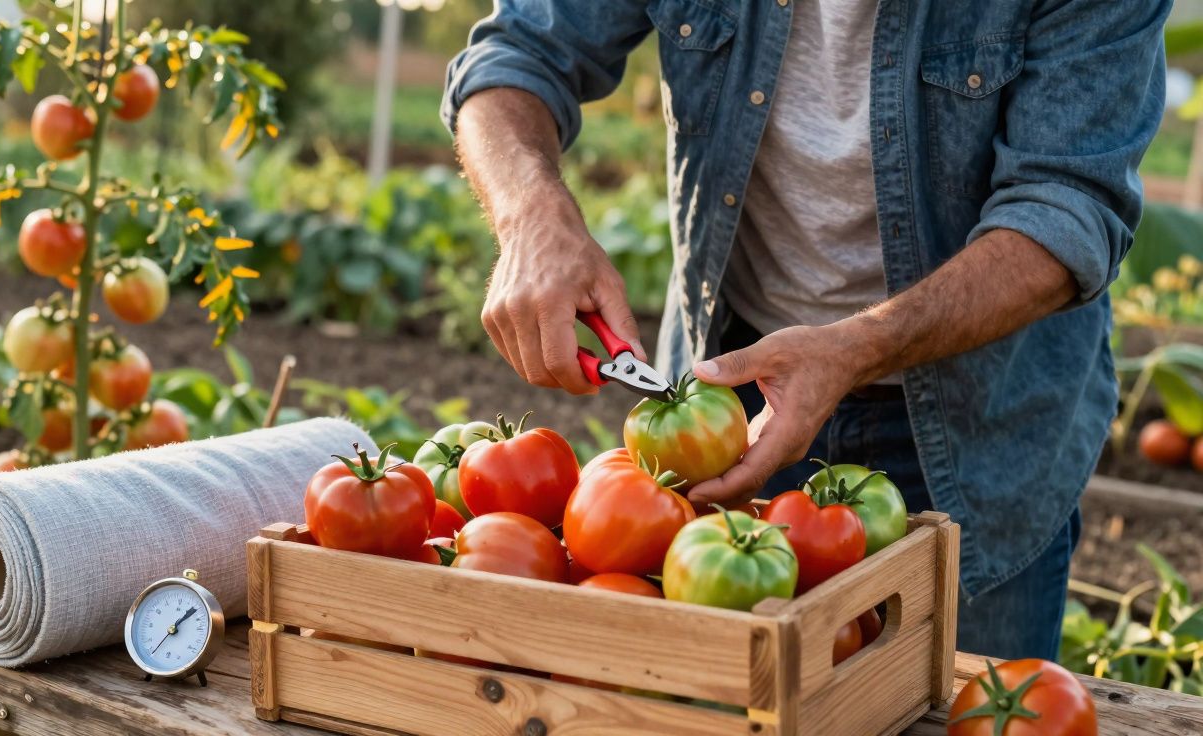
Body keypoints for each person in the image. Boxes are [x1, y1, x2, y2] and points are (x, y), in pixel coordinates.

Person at [441, 0, 1169, 660]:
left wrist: (858, 346)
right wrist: (531, 214)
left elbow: (1067, 204)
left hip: (986, 434)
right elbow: (517, 54)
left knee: (966, 698)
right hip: (731, 411)